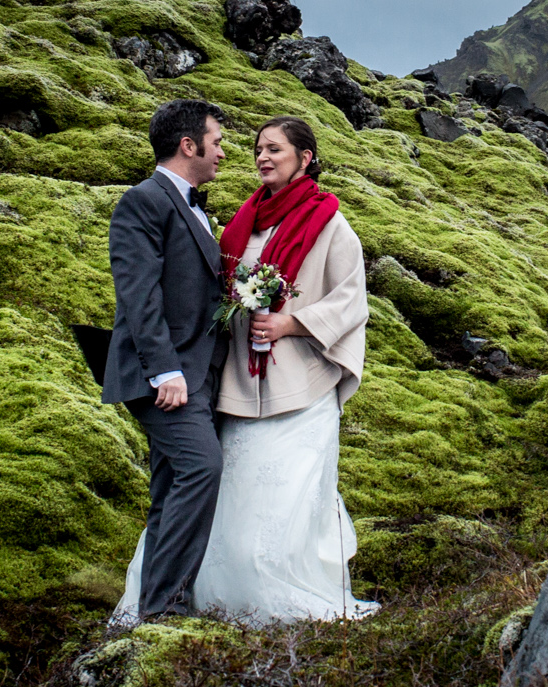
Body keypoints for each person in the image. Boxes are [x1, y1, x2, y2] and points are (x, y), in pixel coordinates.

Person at [114, 114, 378, 624]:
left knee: (281, 500)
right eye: (258, 148)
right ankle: (186, 598)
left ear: (304, 159)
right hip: (234, 382)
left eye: (274, 149)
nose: (261, 157)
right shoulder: (244, 220)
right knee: (220, 490)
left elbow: (351, 301)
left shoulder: (331, 222)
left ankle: (258, 597)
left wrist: (291, 324)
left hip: (297, 383)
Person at [103, 98, 230, 619]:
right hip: (164, 376)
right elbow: (139, 294)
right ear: (188, 145)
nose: (223, 152)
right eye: (217, 141)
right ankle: (166, 608)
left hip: (196, 374)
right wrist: (166, 370)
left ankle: (152, 608)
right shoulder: (144, 200)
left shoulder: (192, 204)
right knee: (202, 467)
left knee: (171, 486)